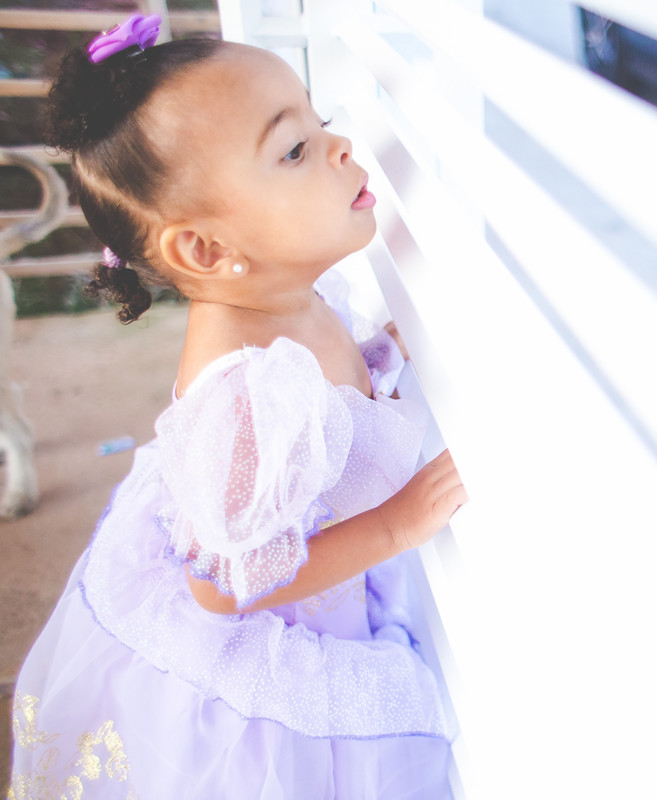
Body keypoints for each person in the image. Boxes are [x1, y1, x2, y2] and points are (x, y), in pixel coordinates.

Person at [8, 15, 466, 799]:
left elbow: (331, 407)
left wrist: (390, 351)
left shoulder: (283, 298)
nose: (343, 147)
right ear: (209, 251)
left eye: (319, 122)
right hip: (271, 668)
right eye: (293, 150)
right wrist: (395, 526)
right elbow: (221, 587)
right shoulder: (250, 393)